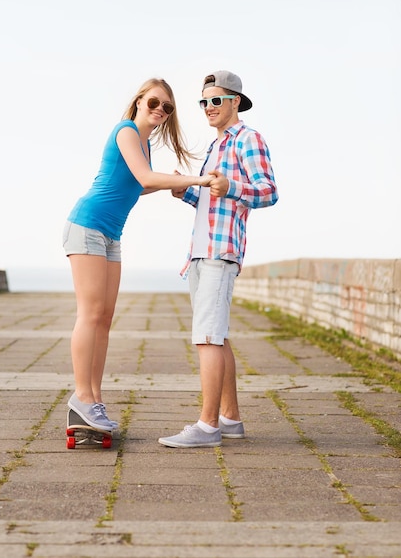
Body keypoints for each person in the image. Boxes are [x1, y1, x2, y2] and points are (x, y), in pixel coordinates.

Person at [63, 77, 214, 431]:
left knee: (105, 317)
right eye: (154, 103)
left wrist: (171, 182)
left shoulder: (144, 145)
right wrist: (198, 180)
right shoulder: (126, 130)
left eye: (167, 107)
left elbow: (137, 184)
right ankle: (82, 397)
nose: (160, 110)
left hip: (110, 234)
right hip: (87, 225)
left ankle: (93, 401)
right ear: (139, 102)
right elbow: (145, 177)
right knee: (91, 313)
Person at [158, 70, 278, 448]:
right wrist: (185, 192)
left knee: (207, 338)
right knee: (217, 336)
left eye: (216, 100)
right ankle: (230, 419)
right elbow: (212, 200)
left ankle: (207, 427)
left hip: (220, 252)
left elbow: (269, 191)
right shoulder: (215, 146)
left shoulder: (248, 139)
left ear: (235, 102)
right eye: (204, 101)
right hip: (199, 252)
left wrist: (231, 185)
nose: (208, 107)